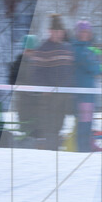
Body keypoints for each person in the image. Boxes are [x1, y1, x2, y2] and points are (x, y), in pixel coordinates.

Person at [29, 14, 75, 150]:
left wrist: (70, 89)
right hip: (49, 95)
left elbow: (71, 70)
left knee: (59, 124)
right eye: (55, 31)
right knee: (49, 125)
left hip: (64, 94)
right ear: (50, 31)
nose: (58, 34)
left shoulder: (67, 48)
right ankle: (50, 151)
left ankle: (54, 149)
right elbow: (36, 72)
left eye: (60, 32)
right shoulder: (43, 48)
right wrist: (44, 88)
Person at [73, 20, 102, 152]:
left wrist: (100, 67)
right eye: (82, 32)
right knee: (84, 122)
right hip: (82, 93)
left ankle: (87, 143)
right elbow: (92, 66)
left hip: (89, 91)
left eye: (87, 32)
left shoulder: (87, 48)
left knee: (88, 121)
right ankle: (83, 148)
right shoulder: (79, 49)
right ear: (77, 33)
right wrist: (99, 68)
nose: (84, 35)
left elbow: (97, 64)